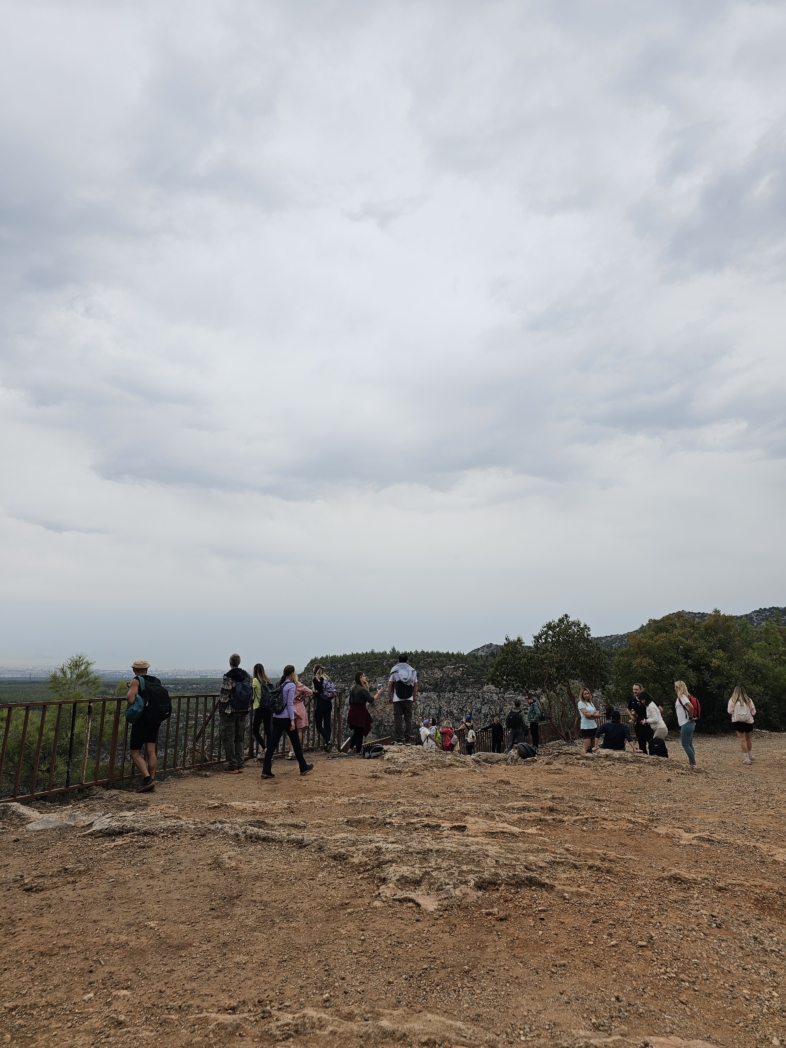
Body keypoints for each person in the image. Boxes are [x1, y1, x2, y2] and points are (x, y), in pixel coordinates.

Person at [126, 659, 170, 793]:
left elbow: (130, 698)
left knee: (134, 752)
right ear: (147, 669)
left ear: (135, 670)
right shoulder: (156, 681)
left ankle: (146, 780)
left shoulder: (136, 680)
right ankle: (152, 778)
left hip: (142, 720)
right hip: (155, 719)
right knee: (151, 750)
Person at [261, 665, 313, 779]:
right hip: (285, 718)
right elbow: (289, 704)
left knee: (272, 744)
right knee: (296, 743)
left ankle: (266, 769)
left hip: (276, 717)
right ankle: (303, 766)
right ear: (292, 673)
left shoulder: (280, 684)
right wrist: (292, 720)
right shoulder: (290, 686)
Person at [219, 654, 253, 774]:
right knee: (239, 738)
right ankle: (240, 764)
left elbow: (224, 698)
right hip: (243, 711)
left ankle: (232, 765)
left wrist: (222, 709)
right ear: (239, 662)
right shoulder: (247, 676)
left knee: (228, 738)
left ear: (230, 663)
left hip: (230, 712)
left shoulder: (228, 677)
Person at [347, 672, 382, 753]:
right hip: (360, 712)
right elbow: (371, 700)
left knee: (356, 731)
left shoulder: (352, 688)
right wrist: (378, 693)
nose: (365, 677)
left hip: (352, 711)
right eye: (364, 676)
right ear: (360, 678)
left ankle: (351, 748)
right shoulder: (362, 689)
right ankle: (358, 751)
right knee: (360, 732)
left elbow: (350, 702)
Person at [387, 654, 418, 745]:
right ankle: (408, 739)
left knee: (398, 719)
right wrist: (414, 696)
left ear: (398, 660)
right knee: (408, 719)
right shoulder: (412, 671)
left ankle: (399, 739)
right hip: (409, 698)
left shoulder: (395, 670)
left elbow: (389, 685)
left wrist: (390, 697)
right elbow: (416, 685)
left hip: (397, 699)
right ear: (407, 660)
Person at [286, 674, 312, 760]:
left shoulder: (287, 685)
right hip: (300, 708)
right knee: (299, 730)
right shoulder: (299, 685)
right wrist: (302, 697)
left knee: (290, 731)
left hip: (290, 708)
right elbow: (310, 692)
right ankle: (298, 751)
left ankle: (291, 752)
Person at [728, 685, 756, 764]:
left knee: (742, 740)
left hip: (737, 721)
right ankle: (750, 755)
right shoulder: (748, 700)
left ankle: (747, 759)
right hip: (748, 721)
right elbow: (753, 711)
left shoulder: (732, 700)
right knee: (748, 739)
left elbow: (729, 711)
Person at [674, 680, 698, 770]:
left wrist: (690, 717)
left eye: (675, 686)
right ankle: (692, 762)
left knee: (685, 745)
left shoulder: (682, 697)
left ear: (678, 687)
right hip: (689, 723)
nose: (674, 688)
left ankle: (693, 764)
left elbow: (691, 706)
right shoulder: (685, 696)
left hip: (686, 723)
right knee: (689, 744)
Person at [312, 665, 335, 752]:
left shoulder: (316, 679)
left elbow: (319, 690)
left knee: (318, 725)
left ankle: (328, 741)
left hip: (321, 703)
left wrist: (314, 692)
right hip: (328, 703)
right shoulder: (326, 678)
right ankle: (327, 745)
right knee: (327, 724)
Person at [251, 664, 272, 757]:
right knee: (268, 730)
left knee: (255, 730)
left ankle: (265, 748)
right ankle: (269, 750)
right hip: (268, 707)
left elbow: (250, 690)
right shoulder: (267, 680)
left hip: (259, 707)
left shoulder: (255, 680)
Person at [641, 692, 669, 757]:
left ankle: (660, 758)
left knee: (655, 745)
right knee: (659, 745)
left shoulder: (651, 706)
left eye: (643, 700)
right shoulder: (650, 705)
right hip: (658, 728)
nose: (642, 702)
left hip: (660, 728)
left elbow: (655, 719)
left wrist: (646, 721)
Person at [629, 688, 653, 756]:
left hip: (648, 724)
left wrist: (650, 717)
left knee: (651, 741)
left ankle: (653, 755)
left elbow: (659, 709)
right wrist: (631, 716)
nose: (634, 691)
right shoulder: (632, 700)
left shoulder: (649, 701)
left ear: (641, 690)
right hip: (638, 724)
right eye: (633, 689)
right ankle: (644, 757)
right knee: (641, 743)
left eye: (636, 689)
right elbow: (628, 709)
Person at [577, 687, 600, 753]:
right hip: (586, 727)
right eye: (585, 694)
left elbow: (597, 714)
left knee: (594, 748)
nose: (587, 695)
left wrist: (592, 715)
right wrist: (594, 716)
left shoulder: (591, 703)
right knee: (588, 749)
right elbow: (586, 715)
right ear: (582, 695)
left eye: (588, 693)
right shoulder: (581, 703)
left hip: (593, 726)